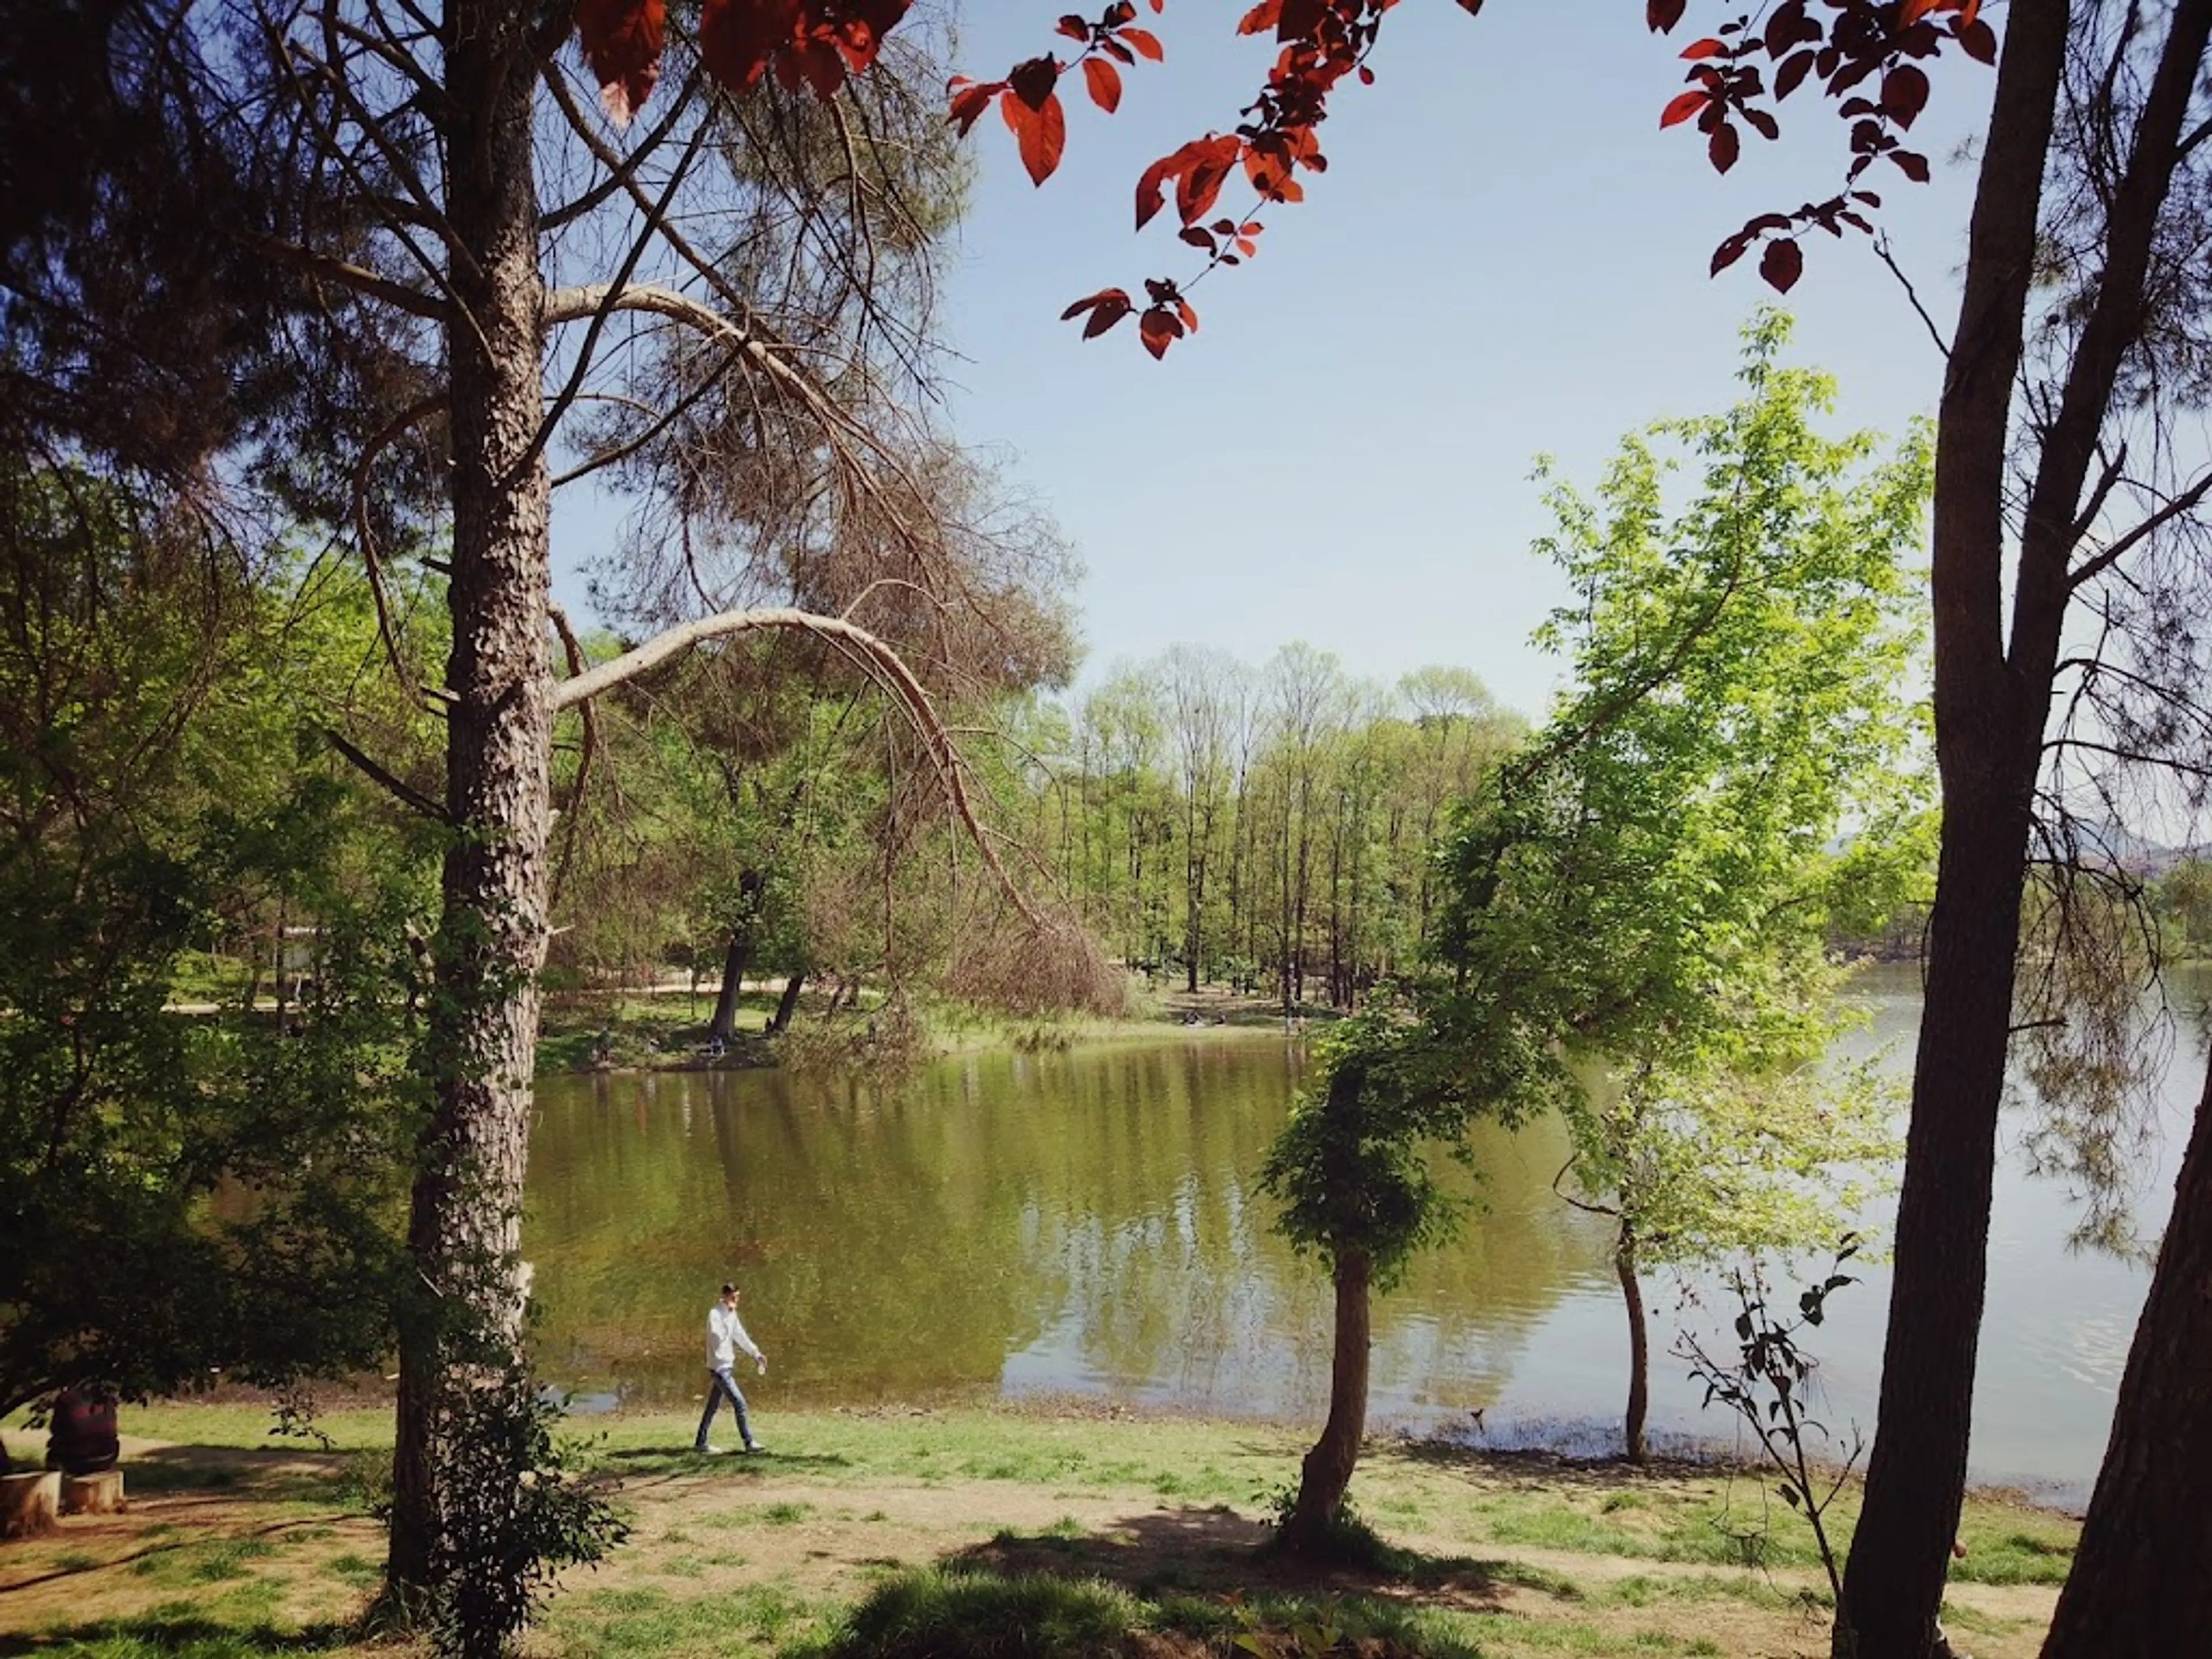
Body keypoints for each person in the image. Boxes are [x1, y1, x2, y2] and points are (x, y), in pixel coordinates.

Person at [695, 1281, 767, 1455]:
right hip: (719, 1368)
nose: (737, 1300)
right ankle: (749, 1442)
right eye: (734, 1297)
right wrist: (729, 1317)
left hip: (727, 1366)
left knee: (712, 1406)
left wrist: (756, 1354)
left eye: (738, 1297)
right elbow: (716, 1337)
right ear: (726, 1297)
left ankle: (700, 1442)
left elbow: (740, 1336)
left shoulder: (731, 1314)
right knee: (740, 1404)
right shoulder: (715, 1314)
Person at [46, 1385, 120, 1476]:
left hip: (77, 1460)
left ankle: (53, 1484)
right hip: (108, 1457)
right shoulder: (106, 1398)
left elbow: (56, 1429)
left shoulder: (66, 1399)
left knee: (53, 1453)